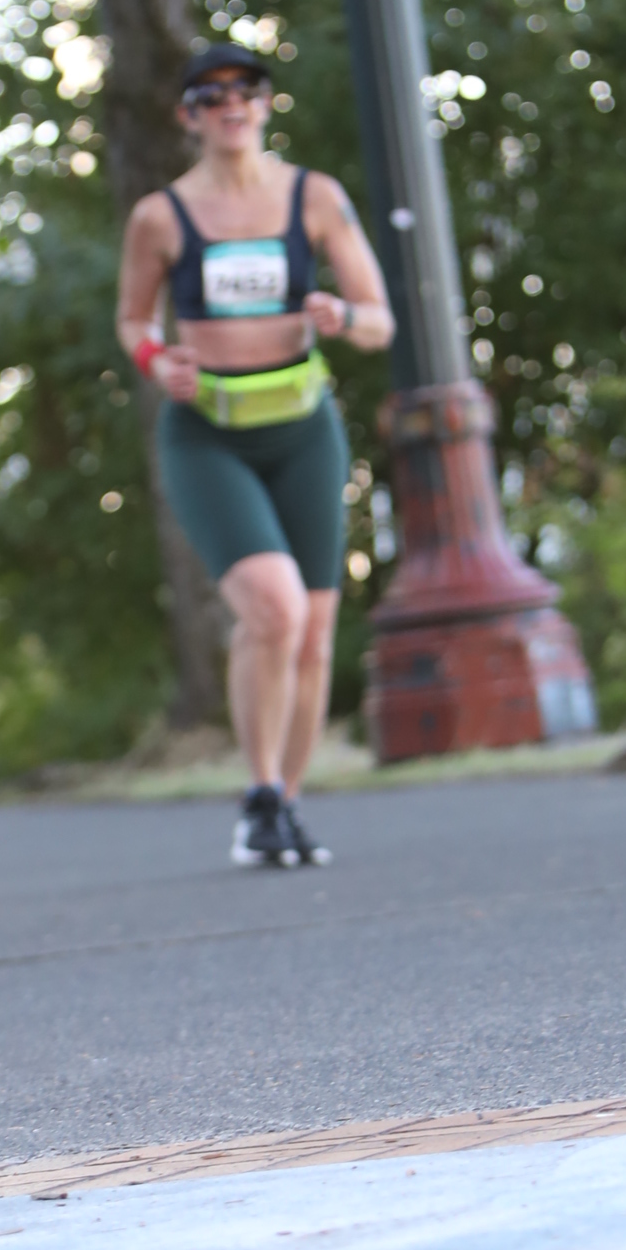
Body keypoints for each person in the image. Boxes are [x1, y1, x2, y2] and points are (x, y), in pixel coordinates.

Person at [114, 46, 394, 866]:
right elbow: (133, 320)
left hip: (303, 428)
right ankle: (260, 789)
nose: (231, 104)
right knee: (274, 608)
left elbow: (380, 321)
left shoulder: (315, 198)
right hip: (208, 432)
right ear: (188, 116)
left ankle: (283, 810)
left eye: (247, 90)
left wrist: (342, 316)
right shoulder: (161, 216)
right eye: (212, 94)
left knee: (313, 635)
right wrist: (154, 360)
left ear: (267, 106)